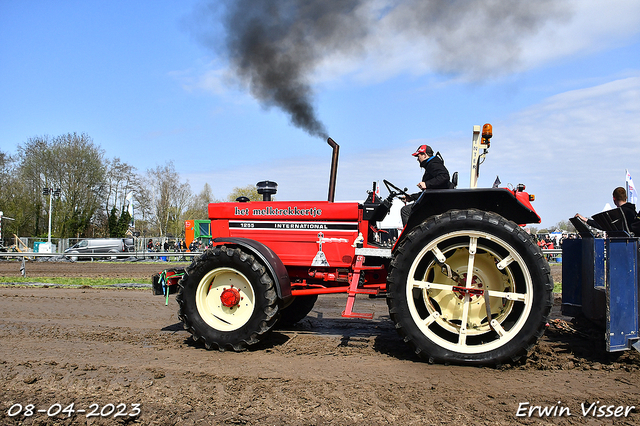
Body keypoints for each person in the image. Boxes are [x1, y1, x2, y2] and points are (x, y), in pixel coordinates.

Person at [401, 144, 451, 226]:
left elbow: (444, 176)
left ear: (424, 155)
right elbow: (429, 192)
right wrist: (412, 197)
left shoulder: (433, 164)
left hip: (436, 203)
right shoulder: (432, 165)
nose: (417, 159)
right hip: (434, 200)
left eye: (418, 156)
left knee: (405, 211)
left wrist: (426, 184)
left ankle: (410, 236)